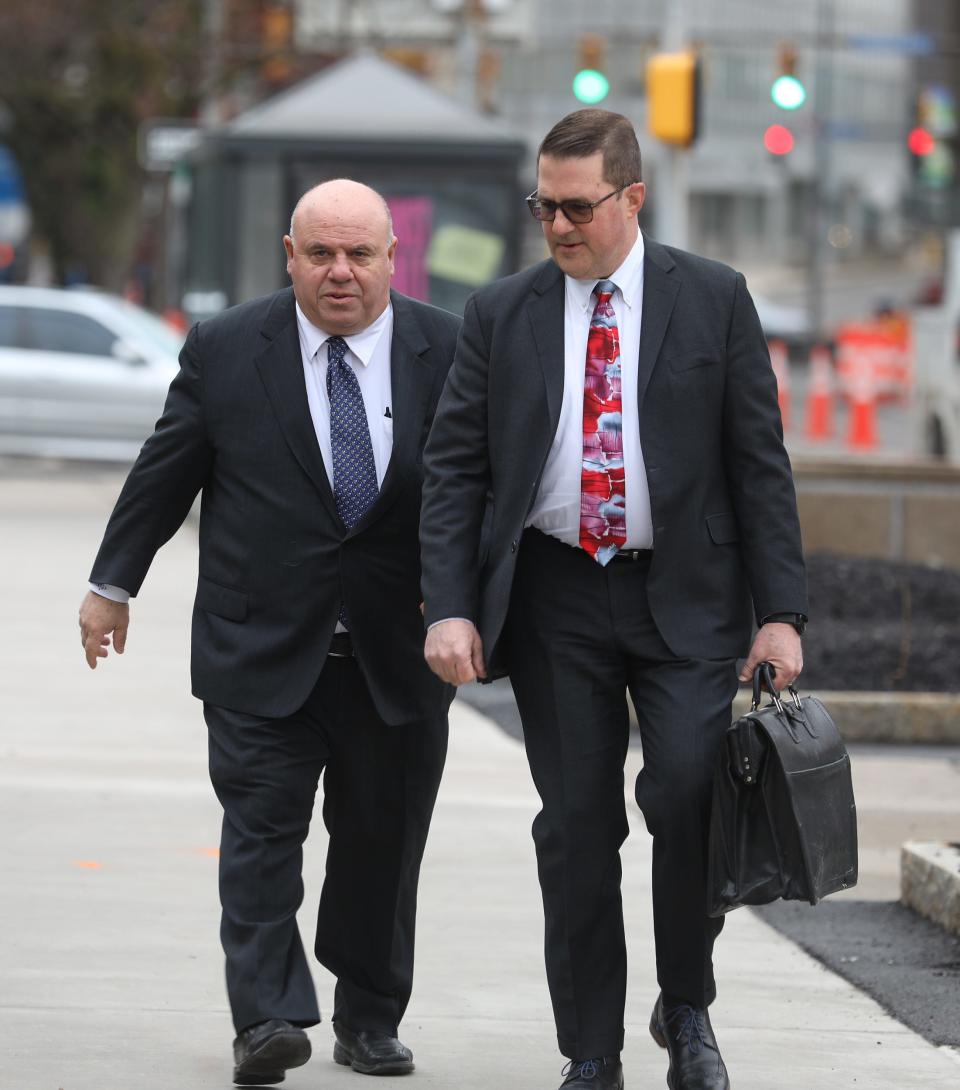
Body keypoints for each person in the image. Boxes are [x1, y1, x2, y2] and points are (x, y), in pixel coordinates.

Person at [420, 109, 807, 1090]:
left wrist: (781, 614)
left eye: (576, 206)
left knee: (687, 798)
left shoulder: (712, 299)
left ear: (632, 198)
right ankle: (590, 1048)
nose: (556, 224)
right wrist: (450, 605)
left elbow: (757, 462)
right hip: (554, 600)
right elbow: (455, 470)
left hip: (683, 598)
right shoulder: (501, 314)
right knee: (578, 827)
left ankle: (688, 1008)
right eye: (543, 205)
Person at [79, 180, 460, 1086]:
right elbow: (165, 470)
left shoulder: (445, 348)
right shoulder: (225, 348)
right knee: (258, 840)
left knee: (382, 845)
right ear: (288, 254)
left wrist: (469, 599)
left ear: (389, 260)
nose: (339, 273)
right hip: (260, 648)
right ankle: (266, 1018)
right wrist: (111, 584)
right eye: (319, 253)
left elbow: (475, 493)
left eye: (359, 255)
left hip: (393, 655)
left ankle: (371, 1019)